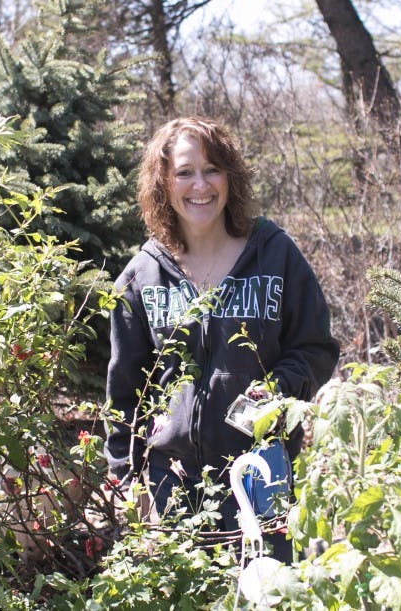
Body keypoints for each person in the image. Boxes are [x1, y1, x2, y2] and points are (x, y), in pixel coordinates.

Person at [103, 117, 339, 558]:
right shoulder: (144, 274)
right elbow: (126, 388)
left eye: (212, 169)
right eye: (185, 172)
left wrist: (276, 390)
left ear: (231, 177)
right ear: (164, 182)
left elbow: (315, 347)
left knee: (269, 593)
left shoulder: (275, 254)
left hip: (262, 471)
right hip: (172, 481)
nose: (200, 185)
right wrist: (126, 475)